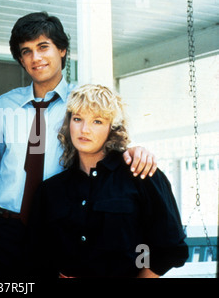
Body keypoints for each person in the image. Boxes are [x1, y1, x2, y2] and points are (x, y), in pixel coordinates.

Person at [0, 12, 158, 278]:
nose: (36, 58)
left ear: (62, 50)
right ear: (21, 60)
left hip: (55, 230)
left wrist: (133, 151)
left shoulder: (82, 103)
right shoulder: (6, 103)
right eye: (26, 51)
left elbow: (106, 142)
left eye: (43, 47)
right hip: (3, 229)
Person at [27, 84, 189, 277]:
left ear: (112, 128)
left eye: (97, 121)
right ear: (69, 123)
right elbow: (36, 256)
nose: (84, 129)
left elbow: (170, 248)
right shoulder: (50, 190)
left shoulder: (141, 175)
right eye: (78, 119)